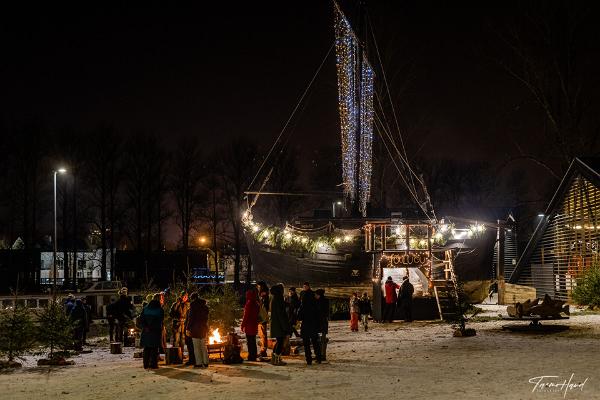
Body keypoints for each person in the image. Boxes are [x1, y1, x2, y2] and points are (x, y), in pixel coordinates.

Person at [298, 282, 322, 365]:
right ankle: (318, 358)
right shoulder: (314, 296)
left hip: (306, 324)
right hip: (313, 323)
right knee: (315, 341)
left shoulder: (303, 301)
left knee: (306, 343)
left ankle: (309, 359)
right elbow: (318, 311)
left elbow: (299, 314)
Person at [138, 293, 164, 370]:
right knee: (154, 348)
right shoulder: (159, 309)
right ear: (159, 299)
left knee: (147, 348)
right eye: (161, 298)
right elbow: (160, 320)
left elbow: (141, 319)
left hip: (146, 331)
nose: (162, 300)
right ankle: (153, 364)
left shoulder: (146, 308)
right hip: (155, 331)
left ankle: (146, 364)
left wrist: (145, 327)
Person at [186, 292, 209, 368]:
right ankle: (206, 362)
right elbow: (206, 318)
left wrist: (188, 327)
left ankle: (198, 363)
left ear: (192, 298)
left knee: (196, 347)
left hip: (195, 328)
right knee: (203, 345)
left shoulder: (193, 306)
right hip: (203, 327)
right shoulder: (205, 306)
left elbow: (191, 318)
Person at [269, 284, 290, 366]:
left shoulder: (275, 298)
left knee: (279, 341)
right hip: (279, 324)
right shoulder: (278, 298)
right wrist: (285, 326)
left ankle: (274, 359)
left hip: (276, 323)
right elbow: (281, 314)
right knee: (280, 342)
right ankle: (276, 359)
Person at [241, 287, 260, 361]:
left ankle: (251, 356)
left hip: (249, 325)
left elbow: (246, 316)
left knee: (249, 341)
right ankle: (253, 355)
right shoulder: (256, 303)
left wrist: (243, 325)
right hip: (254, 324)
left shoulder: (249, 304)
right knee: (253, 341)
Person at [315, 289, 329, 361]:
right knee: (322, 339)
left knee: (321, 340)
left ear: (319, 295)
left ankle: (321, 355)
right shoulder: (325, 301)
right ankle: (321, 354)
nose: (315, 296)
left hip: (320, 323)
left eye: (316, 294)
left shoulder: (318, 302)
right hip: (323, 323)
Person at [256, 281, 270, 358]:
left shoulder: (263, 294)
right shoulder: (264, 294)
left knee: (263, 334)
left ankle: (263, 350)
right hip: (263, 316)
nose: (258, 288)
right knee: (262, 334)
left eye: (258, 286)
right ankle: (263, 349)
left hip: (262, 316)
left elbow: (263, 306)